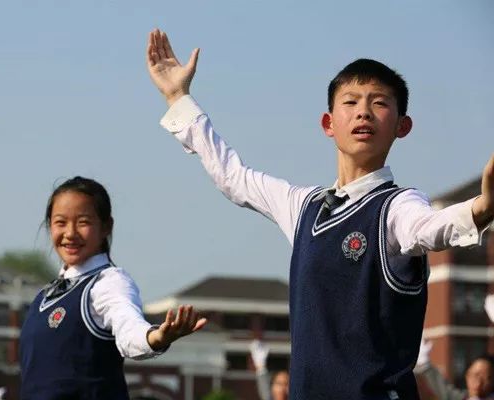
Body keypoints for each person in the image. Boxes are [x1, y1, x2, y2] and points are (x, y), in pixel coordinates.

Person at [146, 28, 494, 400]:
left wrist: (484, 207)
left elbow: (431, 228)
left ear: (402, 126)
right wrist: (178, 97)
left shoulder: (397, 207)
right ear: (328, 124)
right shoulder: (303, 206)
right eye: (351, 101)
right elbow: (233, 176)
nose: (363, 111)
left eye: (379, 102)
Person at [19, 176, 207, 399]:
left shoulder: (108, 283)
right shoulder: (45, 296)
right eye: (60, 222)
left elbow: (129, 327)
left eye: (83, 222)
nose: (70, 233)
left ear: (106, 226)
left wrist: (156, 337)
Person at [415, 339, 494, 400]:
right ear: (467, 375)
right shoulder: (461, 397)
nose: (479, 382)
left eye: (487, 378)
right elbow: (443, 390)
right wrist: (425, 365)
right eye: (475, 375)